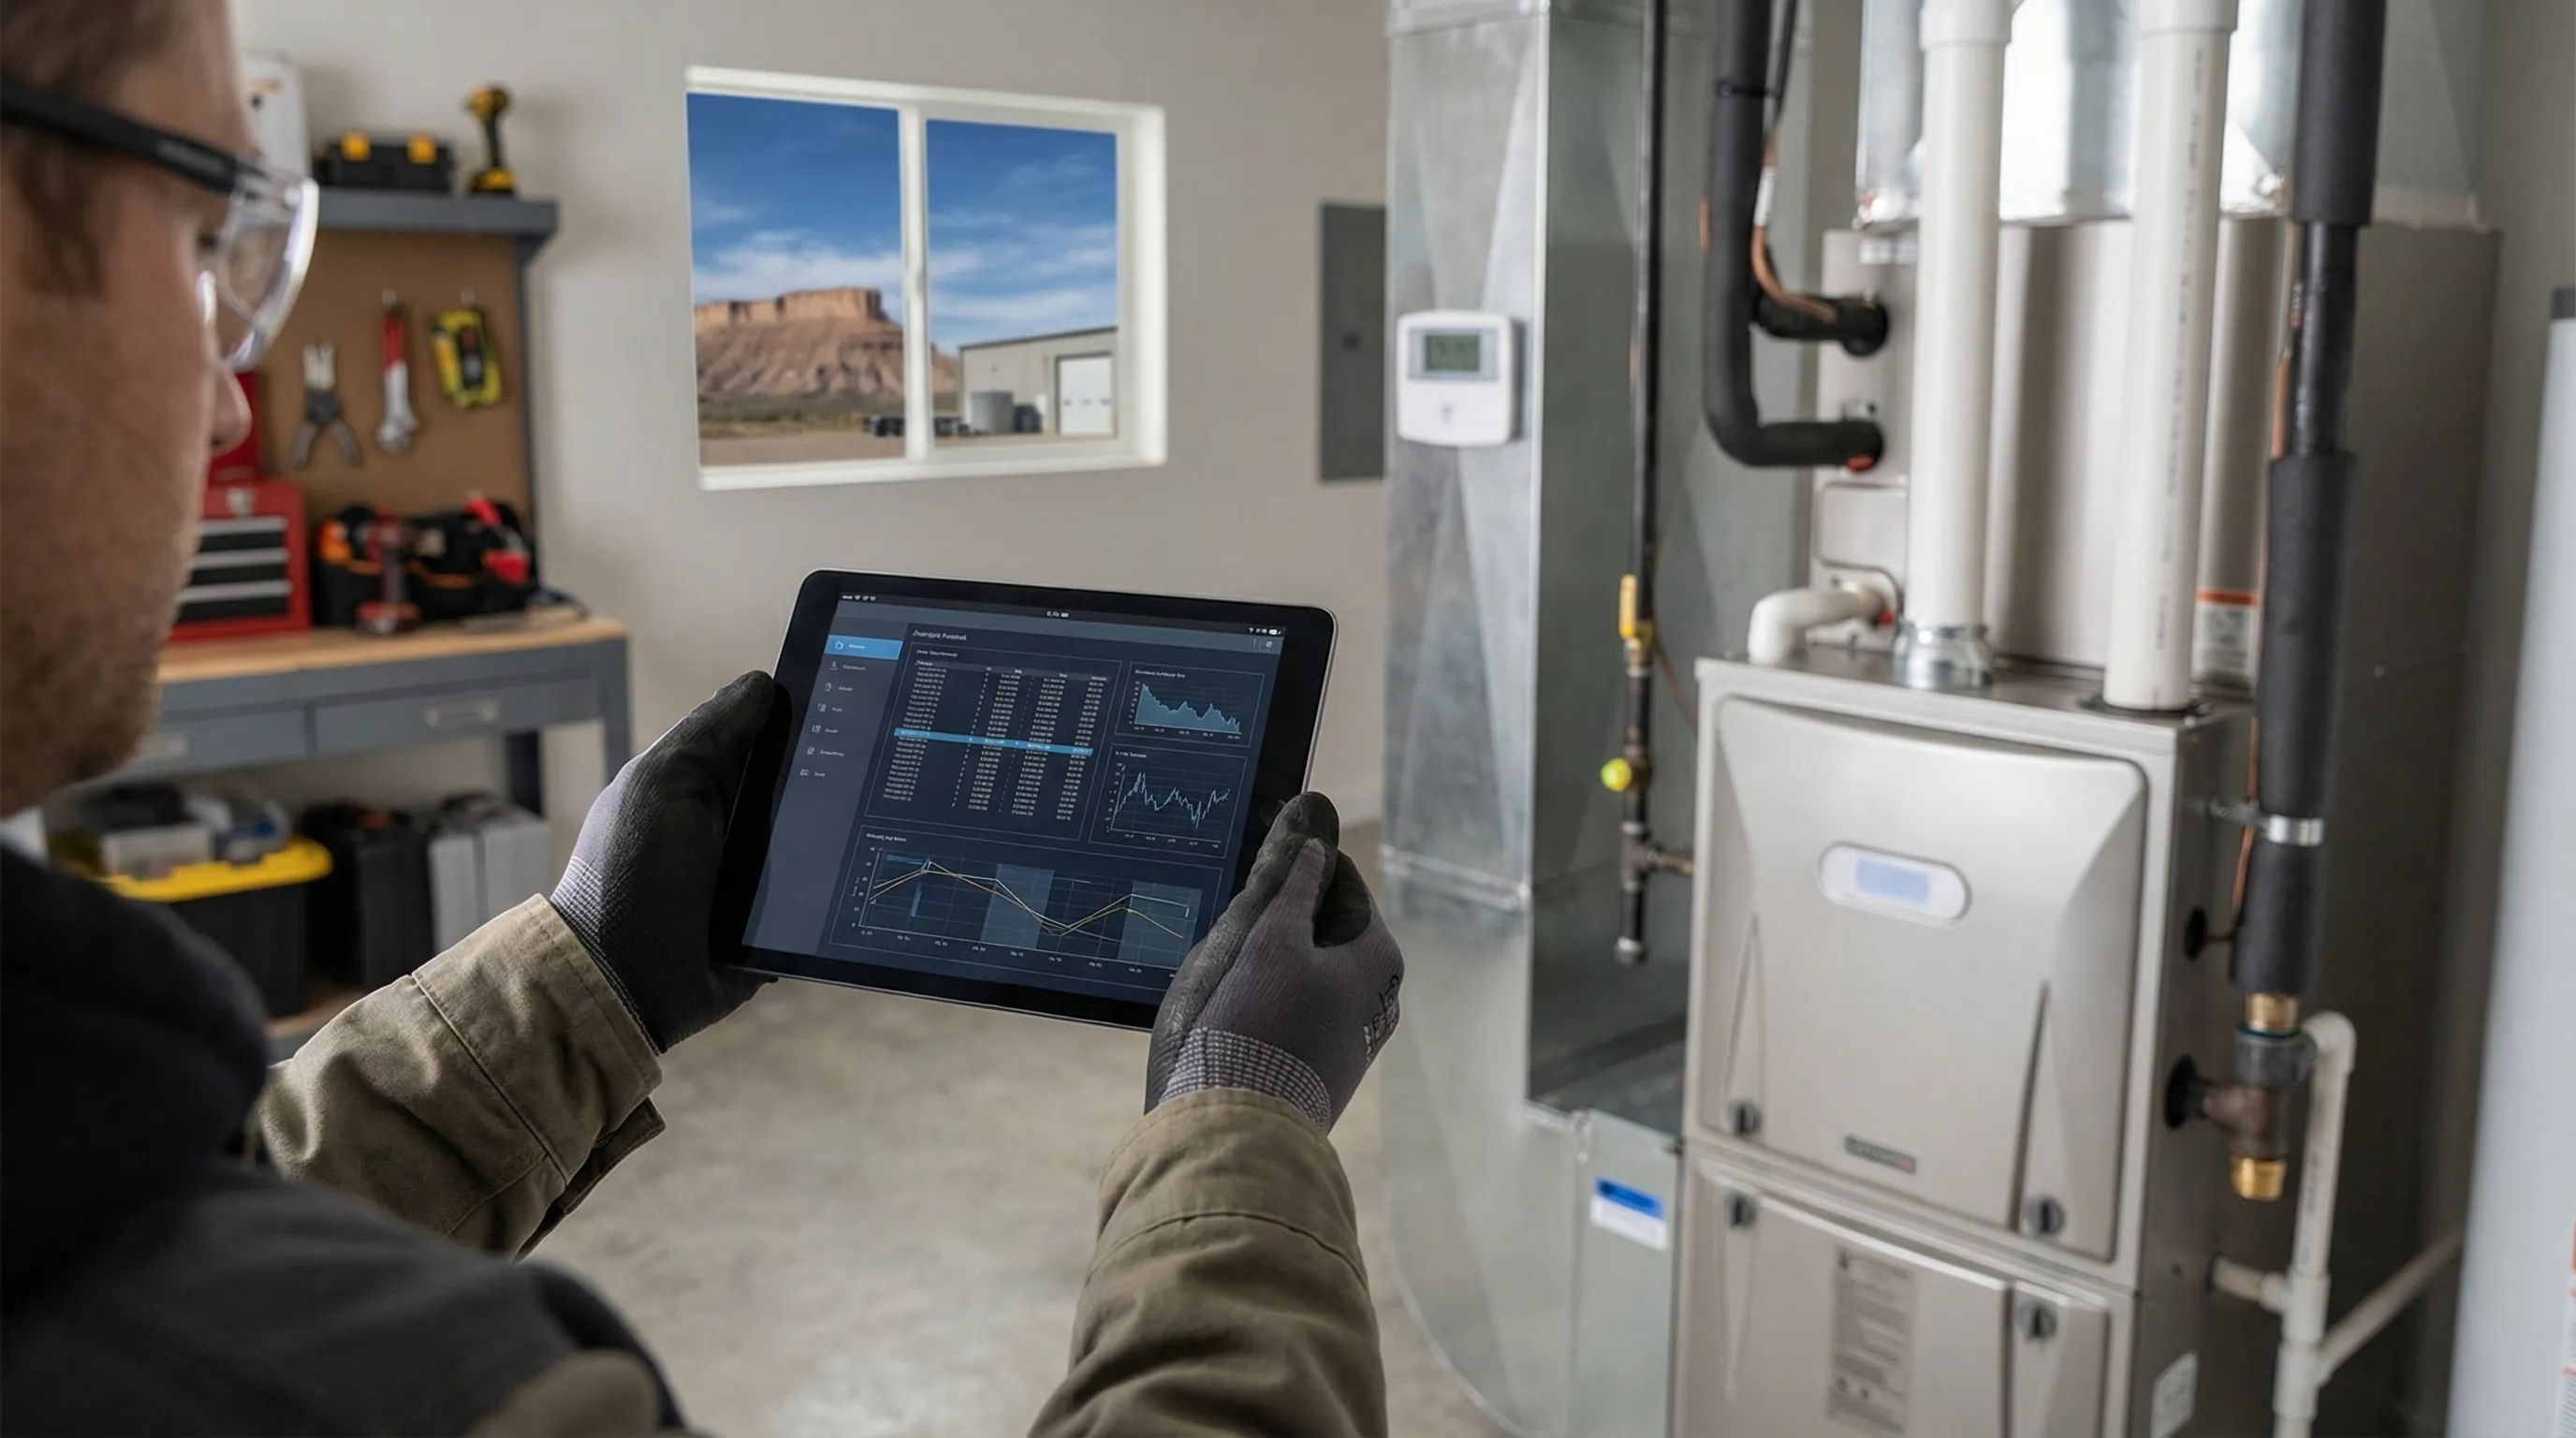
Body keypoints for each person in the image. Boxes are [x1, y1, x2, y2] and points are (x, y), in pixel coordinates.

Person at [0, 2, 1406, 1431]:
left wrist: (585, 969)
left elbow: (227, 1215)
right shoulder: (450, 1399)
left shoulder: (69, 1158)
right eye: (202, 241)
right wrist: (1246, 1127)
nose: (231, 410)